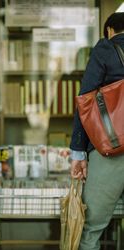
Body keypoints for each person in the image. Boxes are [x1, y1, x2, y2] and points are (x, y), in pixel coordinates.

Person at [70, 12, 124, 250]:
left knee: (90, 229)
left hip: (111, 149)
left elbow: (86, 101)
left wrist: (79, 152)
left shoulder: (105, 49)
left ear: (110, 30)